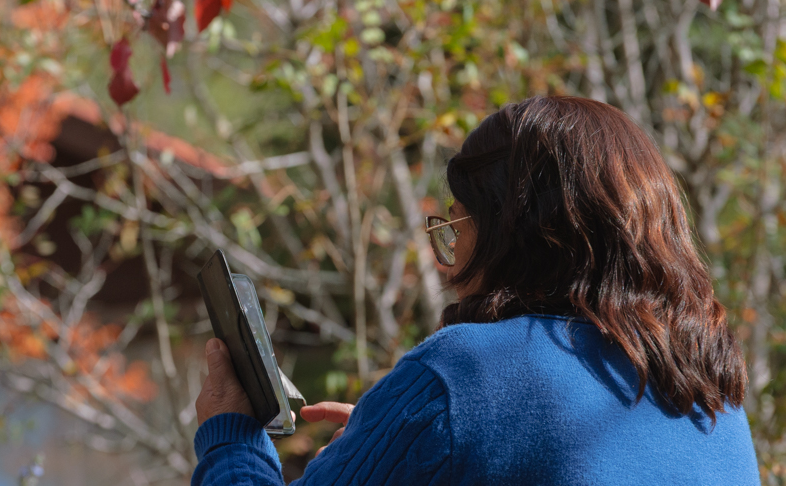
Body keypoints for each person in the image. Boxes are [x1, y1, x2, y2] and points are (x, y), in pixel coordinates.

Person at [191, 96, 760, 485]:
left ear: (515, 236)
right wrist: (407, 438)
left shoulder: (465, 371)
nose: (447, 266)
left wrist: (231, 434)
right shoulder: (715, 399)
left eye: (456, 228)